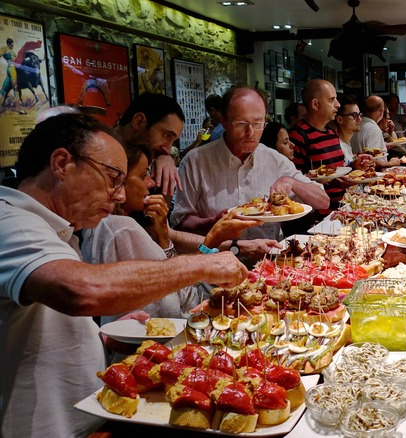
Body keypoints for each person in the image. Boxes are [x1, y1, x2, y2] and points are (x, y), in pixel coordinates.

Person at [0, 113, 247, 437]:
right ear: (61, 163)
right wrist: (203, 265)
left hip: (89, 415)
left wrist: (92, 338)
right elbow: (81, 290)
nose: (118, 195)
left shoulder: (57, 229)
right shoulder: (9, 220)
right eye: (112, 178)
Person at [82, 143, 262, 325]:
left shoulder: (132, 224)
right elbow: (178, 302)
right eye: (144, 175)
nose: (152, 183)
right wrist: (214, 238)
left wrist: (163, 237)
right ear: (119, 182)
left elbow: (178, 284)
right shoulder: (121, 228)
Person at [172, 86, 329, 243]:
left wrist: (292, 182)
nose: (251, 133)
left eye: (258, 124)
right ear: (224, 122)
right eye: (241, 124)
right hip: (215, 261)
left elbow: (323, 201)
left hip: (265, 261)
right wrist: (213, 223)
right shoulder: (196, 161)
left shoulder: (274, 160)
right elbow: (180, 222)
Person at [288, 79, 354, 215]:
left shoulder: (331, 132)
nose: (338, 105)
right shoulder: (298, 136)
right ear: (315, 104)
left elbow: (335, 173)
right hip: (316, 217)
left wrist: (354, 167)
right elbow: (295, 182)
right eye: (332, 100)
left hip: (340, 210)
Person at [115, 93, 185, 196]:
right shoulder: (94, 153)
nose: (168, 150)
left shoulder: (147, 157)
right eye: (166, 135)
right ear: (139, 122)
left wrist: (166, 161)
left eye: (173, 141)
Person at [351, 95, 401, 169]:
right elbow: (371, 160)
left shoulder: (356, 125)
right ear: (381, 111)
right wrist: (390, 163)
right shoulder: (374, 129)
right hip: (371, 175)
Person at [334, 97, 361, 165]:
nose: (359, 119)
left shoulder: (346, 144)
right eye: (354, 115)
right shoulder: (337, 148)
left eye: (359, 115)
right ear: (340, 119)